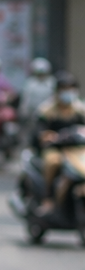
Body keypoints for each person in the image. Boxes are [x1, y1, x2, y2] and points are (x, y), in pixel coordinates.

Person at [31, 72, 85, 215]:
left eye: (70, 88)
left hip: (76, 149)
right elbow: (39, 134)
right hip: (54, 149)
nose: (68, 93)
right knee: (53, 162)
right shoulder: (47, 110)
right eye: (64, 89)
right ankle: (47, 198)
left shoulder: (79, 109)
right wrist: (47, 136)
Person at [21, 56, 56, 121]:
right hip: (32, 115)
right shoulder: (30, 83)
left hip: (49, 114)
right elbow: (26, 99)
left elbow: (54, 97)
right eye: (39, 73)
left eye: (43, 73)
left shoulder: (52, 82)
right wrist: (24, 112)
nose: (41, 75)